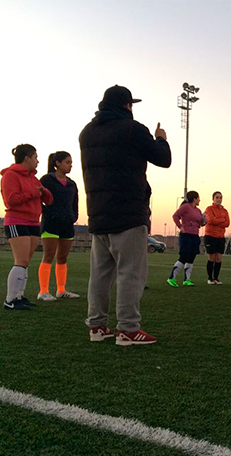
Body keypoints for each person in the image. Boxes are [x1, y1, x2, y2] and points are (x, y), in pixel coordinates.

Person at [80, 85, 171, 346]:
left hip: (98, 213)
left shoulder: (87, 132)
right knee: (131, 272)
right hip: (128, 211)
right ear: (127, 105)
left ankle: (97, 326)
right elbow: (163, 159)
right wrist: (161, 138)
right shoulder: (132, 129)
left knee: (100, 274)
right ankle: (128, 329)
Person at [1, 144, 53, 310]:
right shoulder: (10, 175)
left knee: (25, 262)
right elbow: (11, 200)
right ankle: (10, 300)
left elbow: (49, 199)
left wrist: (43, 192)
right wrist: (34, 193)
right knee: (21, 261)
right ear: (27, 158)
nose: (38, 161)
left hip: (33, 222)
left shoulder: (32, 178)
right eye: (35, 157)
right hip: (17, 221)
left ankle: (19, 296)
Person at [37, 151, 80, 301]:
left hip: (67, 224)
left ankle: (61, 290)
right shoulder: (47, 180)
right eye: (67, 162)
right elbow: (38, 199)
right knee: (48, 255)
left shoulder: (72, 184)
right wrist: (49, 213)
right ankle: (43, 291)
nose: (70, 165)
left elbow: (75, 203)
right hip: (51, 224)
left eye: (71, 162)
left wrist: (73, 217)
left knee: (62, 257)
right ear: (57, 163)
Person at [168, 191, 205, 287]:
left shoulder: (198, 210)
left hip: (195, 235)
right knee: (184, 256)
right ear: (194, 198)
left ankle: (187, 280)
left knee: (191, 257)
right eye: (198, 198)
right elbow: (175, 216)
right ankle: (171, 278)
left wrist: (204, 221)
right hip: (186, 235)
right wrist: (180, 226)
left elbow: (200, 223)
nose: (199, 200)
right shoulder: (185, 207)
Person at [204, 191, 230, 285]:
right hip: (210, 236)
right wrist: (221, 220)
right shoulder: (209, 209)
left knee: (218, 258)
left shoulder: (225, 211)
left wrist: (217, 220)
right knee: (211, 257)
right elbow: (210, 220)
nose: (219, 199)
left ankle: (216, 278)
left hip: (220, 237)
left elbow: (227, 223)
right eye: (217, 197)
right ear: (213, 199)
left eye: (220, 197)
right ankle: (210, 278)